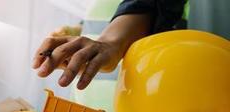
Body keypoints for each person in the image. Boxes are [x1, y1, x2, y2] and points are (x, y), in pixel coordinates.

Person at [33, 0, 228, 90]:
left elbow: (145, 6)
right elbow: (103, 19)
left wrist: (108, 43)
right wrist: (76, 30)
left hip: (143, 109)